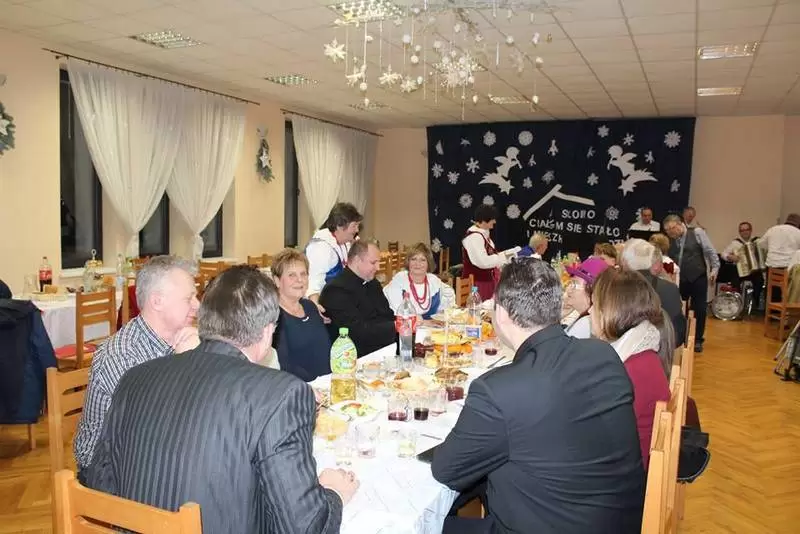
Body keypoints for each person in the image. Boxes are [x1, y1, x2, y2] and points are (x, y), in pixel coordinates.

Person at [85, 266, 358, 534]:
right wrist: (333, 493)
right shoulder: (282, 394)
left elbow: (100, 481)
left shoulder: (135, 377)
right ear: (267, 332)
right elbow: (303, 527)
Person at [432, 258, 645, 534]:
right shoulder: (603, 354)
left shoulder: (496, 390)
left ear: (501, 313)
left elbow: (446, 470)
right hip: (621, 521)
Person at [74, 256, 200, 480]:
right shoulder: (121, 355)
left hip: (146, 457)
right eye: (189, 298)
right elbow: (155, 426)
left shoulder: (183, 339)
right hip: (106, 471)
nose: (197, 305)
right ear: (157, 301)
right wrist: (186, 364)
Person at [590, 269, 674, 469]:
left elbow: (597, 438)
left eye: (594, 305)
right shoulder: (640, 353)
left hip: (622, 474)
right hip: (630, 464)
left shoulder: (629, 371)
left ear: (611, 311)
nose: (590, 311)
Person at [320, 239, 396, 356]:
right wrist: (396, 326)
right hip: (352, 356)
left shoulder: (372, 283)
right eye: (373, 263)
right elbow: (357, 332)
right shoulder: (335, 290)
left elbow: (387, 315)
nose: (378, 268)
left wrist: (404, 322)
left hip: (383, 348)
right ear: (356, 260)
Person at [663, 214, 720, 353]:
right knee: (677, 307)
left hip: (697, 276)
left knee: (699, 308)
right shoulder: (669, 240)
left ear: (679, 224)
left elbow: (710, 251)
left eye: (672, 229)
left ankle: (698, 339)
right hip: (679, 278)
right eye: (667, 231)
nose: (670, 233)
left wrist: (714, 269)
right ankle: (679, 337)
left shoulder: (697, 233)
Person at [272, 249, 332, 381]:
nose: (300, 280)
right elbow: (285, 366)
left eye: (303, 274)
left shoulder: (310, 306)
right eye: (292, 275)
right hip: (301, 387)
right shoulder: (274, 316)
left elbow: (324, 349)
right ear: (277, 281)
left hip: (327, 382)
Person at [620, 239, 687, 345]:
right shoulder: (669, 287)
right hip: (667, 346)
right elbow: (679, 332)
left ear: (625, 262)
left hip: (635, 348)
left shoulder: (620, 288)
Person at [306, 202, 363, 304]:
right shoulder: (321, 248)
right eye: (354, 226)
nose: (357, 230)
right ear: (340, 226)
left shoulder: (344, 243)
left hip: (341, 298)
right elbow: (313, 285)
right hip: (325, 303)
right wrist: (317, 308)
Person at [462, 204, 520, 300]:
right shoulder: (474, 237)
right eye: (493, 219)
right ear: (484, 220)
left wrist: (511, 253)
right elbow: (483, 262)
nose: (495, 221)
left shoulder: (483, 234)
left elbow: (493, 256)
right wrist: (503, 257)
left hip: (486, 281)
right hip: (477, 283)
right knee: (481, 308)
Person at [383, 242, 456, 319]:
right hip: (406, 326)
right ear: (408, 262)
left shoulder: (434, 281)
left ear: (428, 263)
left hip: (432, 326)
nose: (417, 263)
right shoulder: (400, 281)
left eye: (423, 260)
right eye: (413, 259)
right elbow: (400, 315)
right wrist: (425, 322)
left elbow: (446, 309)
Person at [562, 256, 611, 339]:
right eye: (571, 283)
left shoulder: (586, 323)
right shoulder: (586, 319)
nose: (568, 289)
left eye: (575, 284)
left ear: (591, 291)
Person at [721, 221, 763, 306]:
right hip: (740, 271)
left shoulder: (758, 241)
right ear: (739, 232)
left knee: (760, 280)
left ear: (751, 230)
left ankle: (755, 303)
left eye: (747, 229)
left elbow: (764, 252)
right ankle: (737, 302)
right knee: (734, 280)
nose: (745, 232)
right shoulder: (735, 243)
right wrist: (730, 256)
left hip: (754, 271)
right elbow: (723, 254)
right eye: (742, 230)